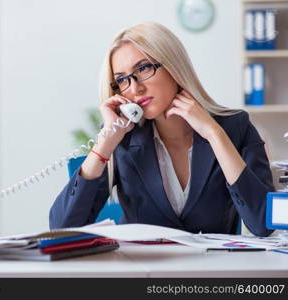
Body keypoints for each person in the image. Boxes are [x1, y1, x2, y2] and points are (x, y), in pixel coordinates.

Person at [49, 21, 274, 237]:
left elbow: (263, 224)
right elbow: (62, 228)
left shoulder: (235, 126)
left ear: (174, 65)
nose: (135, 88)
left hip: (210, 272)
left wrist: (214, 134)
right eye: (122, 80)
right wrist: (105, 143)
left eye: (144, 67)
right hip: (142, 272)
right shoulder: (122, 137)